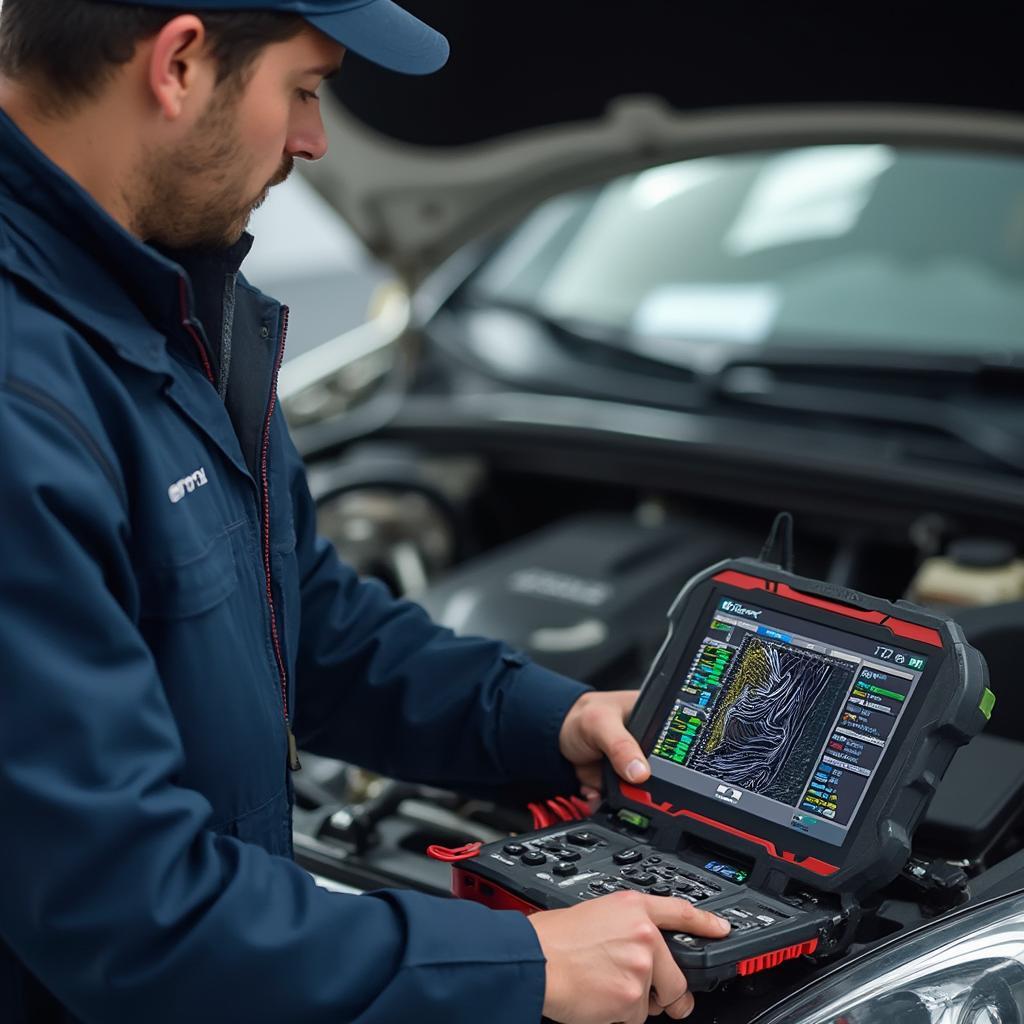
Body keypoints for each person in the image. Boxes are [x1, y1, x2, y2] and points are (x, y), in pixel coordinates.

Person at [0, 1, 730, 1021]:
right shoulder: (24, 403)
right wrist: (521, 963)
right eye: (304, 89)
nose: (314, 139)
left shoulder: (162, 302)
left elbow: (293, 612)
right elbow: (128, 910)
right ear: (177, 62)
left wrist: (547, 721)